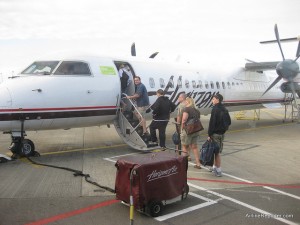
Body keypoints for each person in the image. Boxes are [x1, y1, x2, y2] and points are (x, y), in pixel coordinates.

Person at [207, 93, 229, 177]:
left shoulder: (215, 109)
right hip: (222, 134)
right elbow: (229, 121)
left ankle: (218, 170)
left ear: (217, 100)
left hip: (215, 134)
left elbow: (212, 123)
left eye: (213, 99)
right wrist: (224, 129)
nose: (212, 100)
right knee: (217, 151)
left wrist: (209, 134)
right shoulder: (224, 109)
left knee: (216, 153)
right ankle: (214, 166)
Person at [180, 97, 202, 169]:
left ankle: (183, 163)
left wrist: (182, 127)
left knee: (184, 146)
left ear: (187, 102)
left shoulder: (186, 109)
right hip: (196, 130)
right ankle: (198, 163)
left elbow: (184, 119)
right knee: (194, 147)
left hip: (188, 130)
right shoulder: (196, 110)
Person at [176, 93, 190, 158]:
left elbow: (179, 116)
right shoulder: (189, 104)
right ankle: (188, 155)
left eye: (179, 97)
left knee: (184, 143)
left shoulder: (181, 106)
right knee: (189, 140)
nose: (178, 98)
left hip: (184, 126)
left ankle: (184, 157)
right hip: (190, 125)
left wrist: (178, 124)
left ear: (182, 98)